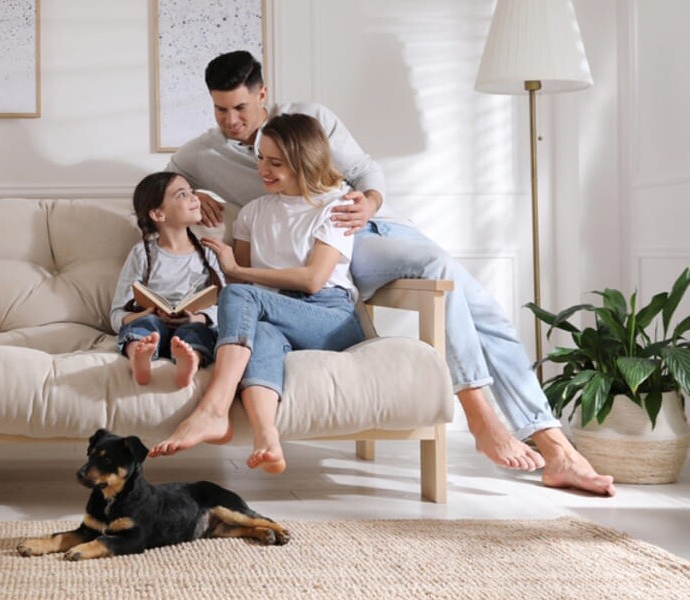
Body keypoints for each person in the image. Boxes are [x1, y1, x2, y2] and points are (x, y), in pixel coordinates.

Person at [151, 50, 615, 496]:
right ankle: (526, 437)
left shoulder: (310, 119)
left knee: (480, 309)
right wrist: (194, 191)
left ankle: (524, 433)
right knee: (457, 290)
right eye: (219, 110)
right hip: (313, 254)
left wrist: (365, 205)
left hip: (364, 230)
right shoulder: (205, 155)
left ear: (262, 94)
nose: (231, 120)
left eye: (240, 107)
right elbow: (163, 183)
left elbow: (366, 172)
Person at [193, 113, 366, 473]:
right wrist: (229, 278)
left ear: (304, 161)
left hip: (329, 317)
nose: (263, 170)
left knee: (245, 298)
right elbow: (240, 288)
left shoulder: (337, 206)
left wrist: (237, 271)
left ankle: (214, 408)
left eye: (276, 163)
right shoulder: (253, 213)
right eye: (260, 159)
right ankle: (267, 436)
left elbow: (314, 279)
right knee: (264, 334)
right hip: (275, 314)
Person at [110, 172, 225, 388]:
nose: (194, 198)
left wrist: (198, 318)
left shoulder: (207, 253)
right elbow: (116, 313)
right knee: (145, 325)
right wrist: (143, 314)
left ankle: (190, 361)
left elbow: (225, 307)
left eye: (192, 191)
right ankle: (139, 355)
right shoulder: (141, 254)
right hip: (153, 324)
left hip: (191, 323)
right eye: (182, 194)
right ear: (158, 214)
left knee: (196, 333)